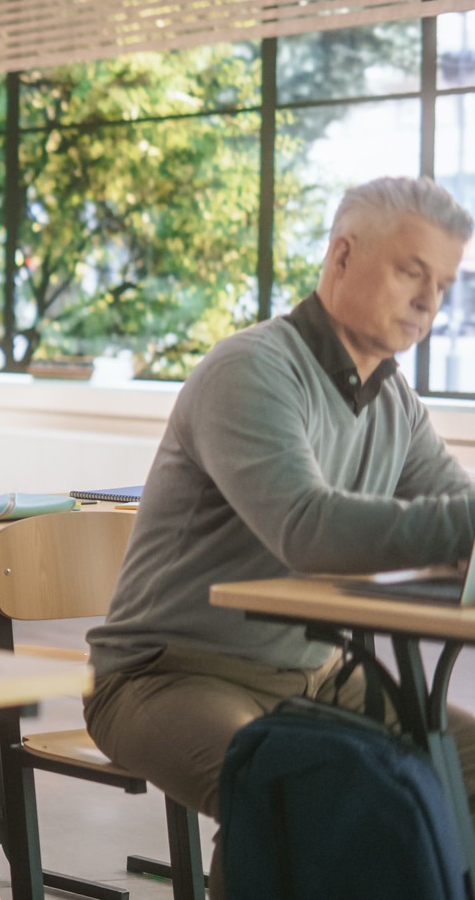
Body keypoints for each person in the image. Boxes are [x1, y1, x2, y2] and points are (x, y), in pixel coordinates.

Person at [85, 176, 475, 893]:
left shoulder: (394, 398)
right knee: (308, 784)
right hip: (167, 673)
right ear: (342, 255)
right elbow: (308, 528)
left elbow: (456, 508)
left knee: (467, 758)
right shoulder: (252, 368)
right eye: (411, 271)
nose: (430, 300)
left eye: (444, 284)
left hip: (321, 671)